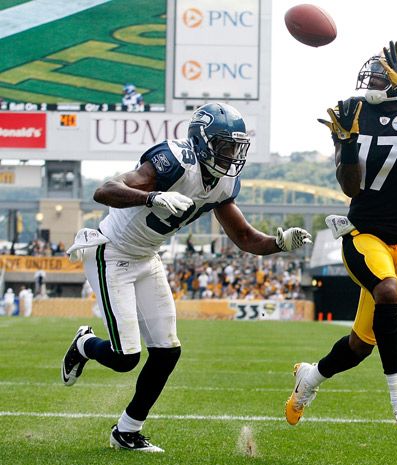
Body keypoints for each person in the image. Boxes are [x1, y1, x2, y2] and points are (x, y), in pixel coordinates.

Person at [60, 102, 312, 453]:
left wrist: (279, 243)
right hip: (112, 253)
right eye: (226, 146)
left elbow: (244, 238)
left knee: (166, 351)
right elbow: (104, 190)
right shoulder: (173, 161)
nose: (232, 155)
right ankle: (85, 344)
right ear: (203, 141)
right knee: (125, 358)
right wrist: (151, 196)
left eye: (237, 147)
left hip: (147, 257)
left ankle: (127, 431)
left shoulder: (223, 183)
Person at [285, 41, 397, 442]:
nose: (374, 77)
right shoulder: (354, 109)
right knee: (387, 292)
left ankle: (311, 377)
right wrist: (344, 147)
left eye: (385, 71)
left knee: (360, 345)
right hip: (364, 232)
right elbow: (351, 185)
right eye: (376, 70)